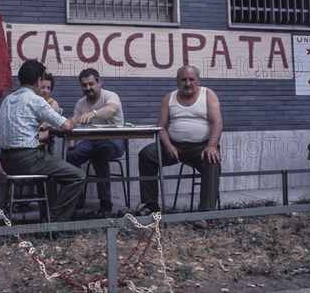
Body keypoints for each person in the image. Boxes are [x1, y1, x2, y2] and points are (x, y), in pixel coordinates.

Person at [0, 60, 85, 231]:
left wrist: (39, 127)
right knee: (77, 176)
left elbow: (18, 128)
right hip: (28, 159)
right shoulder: (36, 100)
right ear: (39, 81)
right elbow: (66, 126)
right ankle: (55, 222)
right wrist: (74, 119)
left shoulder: (7, 100)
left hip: (5, 161)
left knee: (50, 170)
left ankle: (48, 214)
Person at [136, 65, 222, 230]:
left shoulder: (208, 94)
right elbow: (161, 127)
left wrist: (212, 145)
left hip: (201, 148)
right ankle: (151, 204)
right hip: (175, 147)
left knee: (212, 162)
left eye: (191, 79)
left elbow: (217, 122)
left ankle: (205, 214)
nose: (187, 83)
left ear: (198, 81)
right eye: (183, 79)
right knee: (147, 154)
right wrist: (168, 146)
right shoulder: (169, 98)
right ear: (177, 81)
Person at [66, 68, 125, 214]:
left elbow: (111, 110)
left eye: (91, 84)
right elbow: (74, 124)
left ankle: (105, 202)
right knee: (71, 157)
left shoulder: (111, 96)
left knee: (100, 155)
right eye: (84, 85)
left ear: (99, 83)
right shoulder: (80, 104)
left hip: (114, 140)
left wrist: (93, 113)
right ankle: (76, 198)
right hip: (91, 141)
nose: (88, 88)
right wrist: (71, 145)